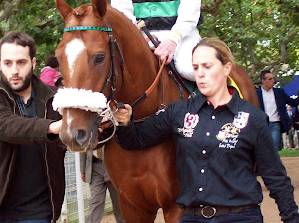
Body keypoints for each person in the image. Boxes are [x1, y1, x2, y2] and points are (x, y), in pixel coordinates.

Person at [114, 38, 299, 222]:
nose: (200, 74)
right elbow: (135, 139)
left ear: (227, 69)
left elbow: (275, 176)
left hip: (240, 217)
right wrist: (125, 122)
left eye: (207, 66)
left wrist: (291, 217)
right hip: (192, 218)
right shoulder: (179, 112)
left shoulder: (253, 118)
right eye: (195, 68)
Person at [0, 31, 65, 223]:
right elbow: (7, 126)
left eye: (21, 63)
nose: (14, 70)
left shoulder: (58, 98)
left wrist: (106, 125)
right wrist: (52, 127)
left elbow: (83, 135)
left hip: (38, 213)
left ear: (33, 63)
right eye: (8, 63)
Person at [256, 70, 299, 151]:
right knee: (263, 149)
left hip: (275, 124)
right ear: (263, 81)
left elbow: (293, 103)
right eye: (270, 79)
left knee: (273, 149)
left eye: (273, 78)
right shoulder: (257, 93)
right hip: (262, 125)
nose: (273, 81)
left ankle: (272, 163)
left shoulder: (279, 92)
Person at [80, 149, 125, 223]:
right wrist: (82, 170)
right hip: (94, 166)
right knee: (95, 199)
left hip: (113, 166)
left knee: (118, 202)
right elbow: (83, 144)